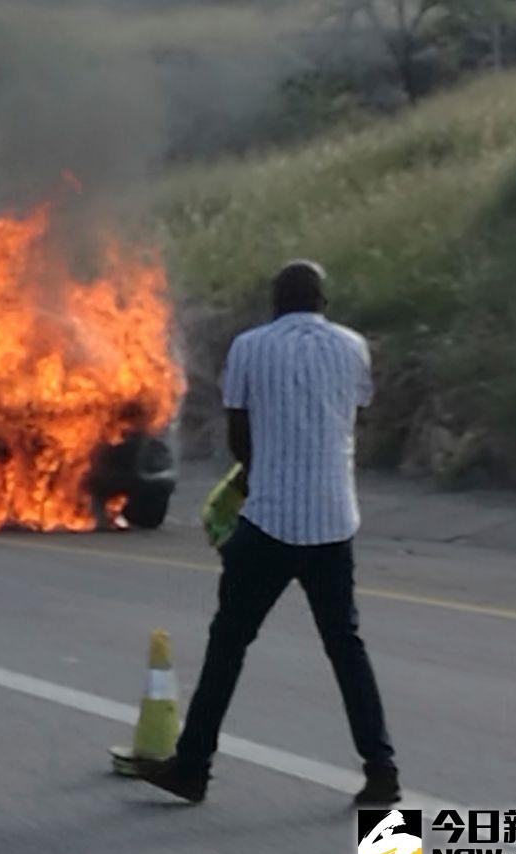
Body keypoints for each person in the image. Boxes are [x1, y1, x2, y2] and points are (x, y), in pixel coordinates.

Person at [138, 260, 400, 805]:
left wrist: (266, 470)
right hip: (333, 522)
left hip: (271, 520)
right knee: (345, 646)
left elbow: (241, 438)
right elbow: (353, 418)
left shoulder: (250, 347)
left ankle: (192, 768)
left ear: (274, 303)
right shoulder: (353, 347)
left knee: (228, 644)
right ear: (323, 303)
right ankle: (381, 771)